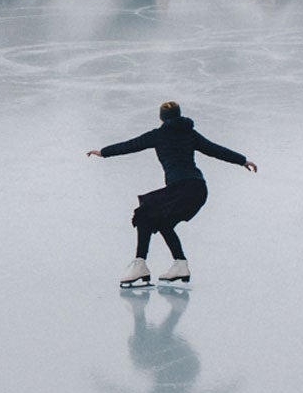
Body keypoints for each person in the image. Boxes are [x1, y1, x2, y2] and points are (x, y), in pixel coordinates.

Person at [87, 101, 255, 287]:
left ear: (161, 118)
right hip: (198, 189)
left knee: (144, 214)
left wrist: (103, 152)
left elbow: (130, 145)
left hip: (181, 189)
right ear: (179, 115)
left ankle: (140, 264)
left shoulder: (158, 135)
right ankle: (180, 264)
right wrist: (242, 161)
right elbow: (215, 149)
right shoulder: (190, 134)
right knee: (163, 223)